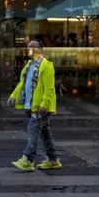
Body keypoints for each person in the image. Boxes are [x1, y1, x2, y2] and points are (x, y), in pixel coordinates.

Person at [9, 40, 61, 171]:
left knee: (33, 130)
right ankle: (53, 159)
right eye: (29, 46)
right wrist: (13, 96)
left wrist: (44, 105)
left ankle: (27, 159)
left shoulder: (46, 65)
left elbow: (49, 88)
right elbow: (22, 84)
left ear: (40, 49)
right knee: (45, 133)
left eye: (33, 46)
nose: (30, 48)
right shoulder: (29, 65)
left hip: (41, 107)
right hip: (32, 105)